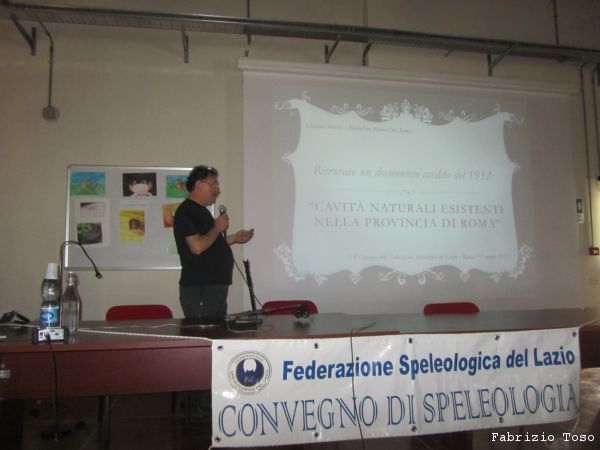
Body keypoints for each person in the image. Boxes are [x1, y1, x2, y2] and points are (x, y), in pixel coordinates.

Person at [173, 165, 254, 320]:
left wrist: (234, 238)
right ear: (198, 184)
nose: (218, 190)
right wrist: (217, 228)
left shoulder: (201, 211)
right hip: (201, 286)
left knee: (216, 329)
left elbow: (208, 243)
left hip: (212, 285)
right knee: (205, 330)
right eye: (214, 184)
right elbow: (197, 247)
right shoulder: (186, 211)